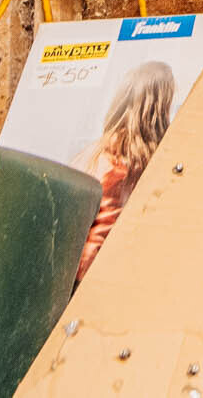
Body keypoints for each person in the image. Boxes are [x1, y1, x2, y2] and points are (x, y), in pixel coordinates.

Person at [75, 60, 176, 279]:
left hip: (78, 265)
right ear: (157, 108)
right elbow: (105, 226)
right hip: (94, 273)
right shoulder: (128, 160)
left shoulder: (100, 148)